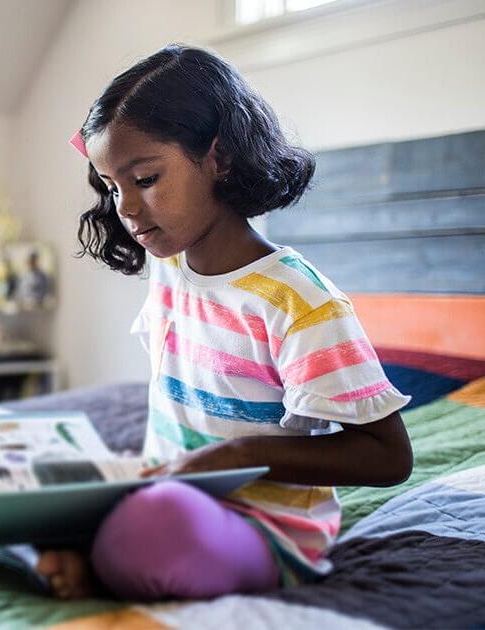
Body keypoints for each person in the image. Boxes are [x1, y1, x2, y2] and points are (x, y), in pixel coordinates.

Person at [36, 44, 413, 601]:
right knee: (38, 482)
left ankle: (96, 562)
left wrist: (236, 456)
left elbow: (388, 456)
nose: (127, 209)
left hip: (263, 529)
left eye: (145, 179)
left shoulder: (299, 299)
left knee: (155, 526)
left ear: (220, 158)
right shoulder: (169, 268)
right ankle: (87, 546)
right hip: (171, 487)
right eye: (113, 188)